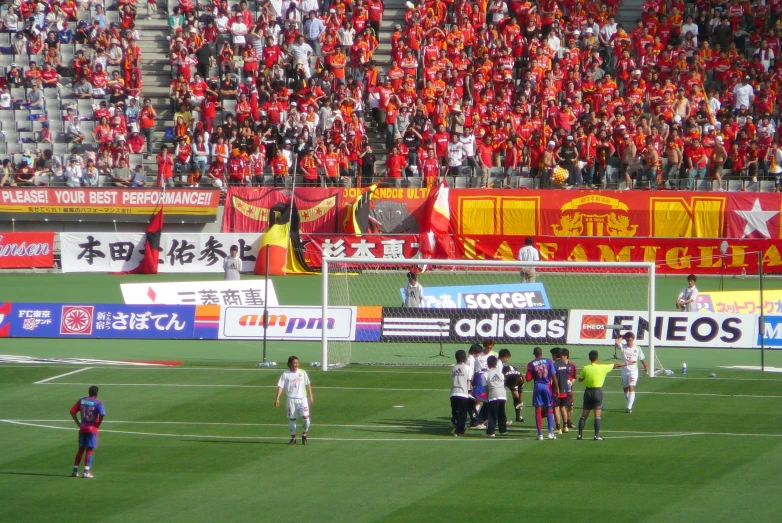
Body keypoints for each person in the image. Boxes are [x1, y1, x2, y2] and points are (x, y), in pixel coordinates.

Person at [577, 350, 626, 441]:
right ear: (597, 358)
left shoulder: (585, 368)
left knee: (584, 415)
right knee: (597, 415)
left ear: (589, 358)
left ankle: (579, 435)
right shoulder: (602, 367)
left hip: (587, 392)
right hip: (597, 392)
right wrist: (626, 363)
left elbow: (580, 379)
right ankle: (596, 435)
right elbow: (616, 365)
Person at [274, 356, 315, 445]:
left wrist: (311, 395)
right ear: (290, 364)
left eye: (297, 363)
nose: (296, 365)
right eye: (294, 363)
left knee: (306, 418)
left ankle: (304, 434)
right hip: (291, 400)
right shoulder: (285, 374)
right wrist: (277, 398)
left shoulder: (302, 373)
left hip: (302, 399)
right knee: (292, 419)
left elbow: (308, 384)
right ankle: (293, 438)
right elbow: (280, 386)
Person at [69, 385, 105, 478]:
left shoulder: (82, 400)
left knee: (81, 449)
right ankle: (86, 472)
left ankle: (75, 470)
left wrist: (78, 423)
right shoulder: (97, 403)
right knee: (89, 450)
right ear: (96, 394)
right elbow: (102, 413)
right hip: (92, 429)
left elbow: (72, 411)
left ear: (88, 392)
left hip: (83, 427)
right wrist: (99, 423)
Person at [525, 346, 558, 440]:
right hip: (547, 387)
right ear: (541, 353)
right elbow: (554, 375)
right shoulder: (549, 361)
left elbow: (528, 379)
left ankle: (540, 434)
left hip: (538, 386)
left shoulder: (531, 363)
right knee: (549, 408)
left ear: (534, 354)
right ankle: (550, 433)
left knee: (538, 409)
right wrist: (557, 388)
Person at [615, 332, 648, 413]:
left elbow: (641, 358)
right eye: (627, 340)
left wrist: (645, 365)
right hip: (625, 370)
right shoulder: (623, 347)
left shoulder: (637, 348)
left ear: (633, 340)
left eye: (630, 340)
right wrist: (622, 337)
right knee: (625, 389)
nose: (629, 342)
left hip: (633, 371)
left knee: (631, 386)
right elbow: (616, 343)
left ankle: (629, 408)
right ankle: (630, 401)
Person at [552, 347, 577, 433]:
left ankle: (558, 428)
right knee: (563, 407)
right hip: (565, 390)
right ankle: (565, 426)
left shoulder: (555, 365)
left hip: (557, 390)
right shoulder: (565, 365)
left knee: (556, 408)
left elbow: (553, 377)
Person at [450, 349, 473, 436]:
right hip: (463, 393)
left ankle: (458, 427)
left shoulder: (454, 368)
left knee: (455, 411)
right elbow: (469, 381)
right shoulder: (467, 368)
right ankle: (459, 430)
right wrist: (469, 392)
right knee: (462, 413)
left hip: (453, 392)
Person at [498, 348, 524, 423]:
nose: (507, 360)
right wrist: (519, 400)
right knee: (501, 398)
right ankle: (500, 418)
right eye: (507, 357)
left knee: (516, 397)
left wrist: (520, 401)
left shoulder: (520, 379)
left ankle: (518, 416)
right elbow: (516, 394)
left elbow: (520, 391)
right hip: (504, 380)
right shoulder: (512, 378)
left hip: (510, 378)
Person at [484, 356, 507, 437]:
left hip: (493, 394)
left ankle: (491, 431)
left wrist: (487, 398)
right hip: (503, 394)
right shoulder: (500, 373)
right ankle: (502, 430)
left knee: (492, 414)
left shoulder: (486, 374)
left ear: (487, 364)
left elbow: (486, 388)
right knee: (501, 413)